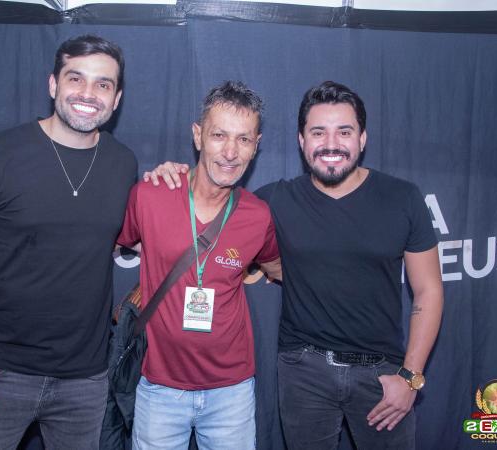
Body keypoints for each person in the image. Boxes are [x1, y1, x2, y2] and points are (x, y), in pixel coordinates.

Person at [146, 81, 443, 450]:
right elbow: (211, 201)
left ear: (362, 139)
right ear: (302, 141)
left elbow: (429, 291)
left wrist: (411, 377)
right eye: (318, 132)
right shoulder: (273, 202)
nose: (331, 144)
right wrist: (174, 174)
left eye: (344, 132)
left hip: (382, 375)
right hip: (304, 374)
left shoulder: (402, 198)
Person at [0, 34, 137, 449]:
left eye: (103, 84)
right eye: (75, 78)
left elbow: (138, 235)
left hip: (85, 378)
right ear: (53, 84)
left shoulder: (123, 163)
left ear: (116, 98)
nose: (88, 94)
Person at [117, 81, 281, 450]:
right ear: (197, 135)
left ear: (256, 145)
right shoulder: (150, 195)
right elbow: (100, 246)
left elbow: (277, 268)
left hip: (231, 393)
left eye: (243, 139)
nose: (230, 152)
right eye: (219, 135)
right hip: (159, 388)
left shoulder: (258, 215)